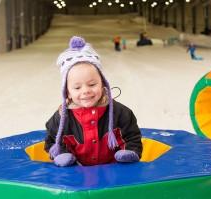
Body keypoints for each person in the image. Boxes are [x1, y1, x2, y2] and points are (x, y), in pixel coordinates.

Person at [45, 36, 142, 167]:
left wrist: (130, 151)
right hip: (78, 173)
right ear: (67, 92)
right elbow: (52, 141)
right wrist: (61, 154)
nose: (85, 91)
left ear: (103, 84)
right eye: (77, 87)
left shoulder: (120, 113)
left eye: (92, 84)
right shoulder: (61, 118)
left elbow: (132, 136)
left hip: (115, 172)